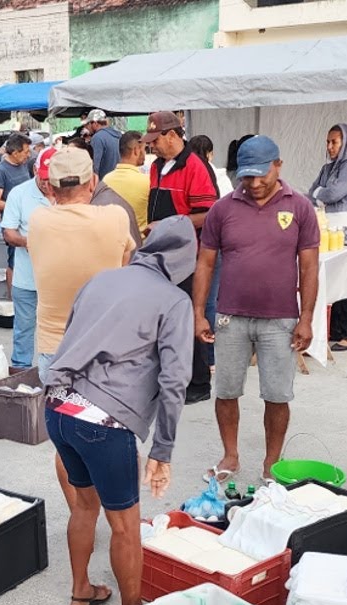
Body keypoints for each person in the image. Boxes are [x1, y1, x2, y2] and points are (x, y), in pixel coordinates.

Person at [45, 215, 194, 605]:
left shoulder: (101, 280)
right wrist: (162, 450)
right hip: (105, 422)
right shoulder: (173, 301)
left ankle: (81, 591)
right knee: (125, 524)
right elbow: (174, 380)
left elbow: (72, 335)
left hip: (58, 408)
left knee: (84, 506)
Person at [193, 135, 319, 483]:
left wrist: (306, 317)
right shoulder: (223, 209)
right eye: (247, 176)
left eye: (262, 174)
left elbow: (309, 266)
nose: (255, 183)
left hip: (280, 320)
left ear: (278, 165)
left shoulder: (300, 207)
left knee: (277, 395)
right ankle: (230, 455)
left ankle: (271, 463)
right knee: (226, 390)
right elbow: (205, 264)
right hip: (231, 316)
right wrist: (199, 311)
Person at [27, 146, 133, 382]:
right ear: (93, 182)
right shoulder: (115, 217)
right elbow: (124, 263)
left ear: (51, 188)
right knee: (101, 416)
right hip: (103, 343)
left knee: (56, 416)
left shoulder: (38, 220)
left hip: (54, 344)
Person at [145, 111, 220, 405]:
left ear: (173, 136)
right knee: (162, 320)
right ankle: (169, 376)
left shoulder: (195, 167)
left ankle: (198, 382)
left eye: (156, 140)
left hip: (187, 257)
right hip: (160, 255)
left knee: (187, 318)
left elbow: (208, 213)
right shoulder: (156, 167)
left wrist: (169, 225)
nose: (152, 146)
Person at [307, 123, 347, 351]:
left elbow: (334, 193)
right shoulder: (328, 168)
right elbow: (310, 193)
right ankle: (334, 328)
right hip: (329, 231)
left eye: (335, 142)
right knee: (331, 279)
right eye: (328, 142)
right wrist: (319, 194)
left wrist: (319, 195)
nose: (330, 146)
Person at [0, 147, 57, 370]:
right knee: (24, 328)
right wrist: (29, 242)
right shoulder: (19, 194)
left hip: (57, 281)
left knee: (54, 331)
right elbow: (8, 232)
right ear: (35, 170)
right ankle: (21, 371)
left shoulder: (67, 193)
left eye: (52, 179)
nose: (48, 184)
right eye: (43, 178)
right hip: (27, 279)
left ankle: (53, 375)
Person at [102, 130, 149, 233]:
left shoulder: (106, 181)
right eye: (145, 149)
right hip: (141, 243)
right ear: (136, 150)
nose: (145, 153)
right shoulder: (147, 182)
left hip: (115, 242)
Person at [85, 109, 122, 181]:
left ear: (95, 123)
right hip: (118, 182)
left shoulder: (97, 138)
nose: (87, 127)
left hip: (104, 185)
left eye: (88, 124)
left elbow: (95, 165)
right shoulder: (119, 136)